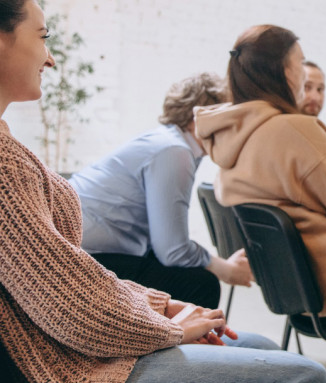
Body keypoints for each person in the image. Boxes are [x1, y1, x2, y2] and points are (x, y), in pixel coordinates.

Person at [0, 0, 326, 383]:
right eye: (43, 37)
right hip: (62, 356)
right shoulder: (170, 151)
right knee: (306, 373)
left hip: (83, 313)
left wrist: (163, 306)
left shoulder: (11, 144)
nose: (50, 57)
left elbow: (72, 275)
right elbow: (68, 300)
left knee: (256, 344)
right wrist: (172, 324)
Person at [194, 25, 326, 375]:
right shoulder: (295, 130)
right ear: (285, 70)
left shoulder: (229, 141)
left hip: (297, 301)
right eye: (300, 62)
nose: (303, 72)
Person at [69, 73, 252, 309]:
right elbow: (172, 250)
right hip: (86, 259)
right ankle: (187, 344)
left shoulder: (166, 142)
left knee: (189, 271)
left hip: (89, 250)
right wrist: (223, 269)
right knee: (201, 284)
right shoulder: (174, 152)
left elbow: (167, 244)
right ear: (199, 118)